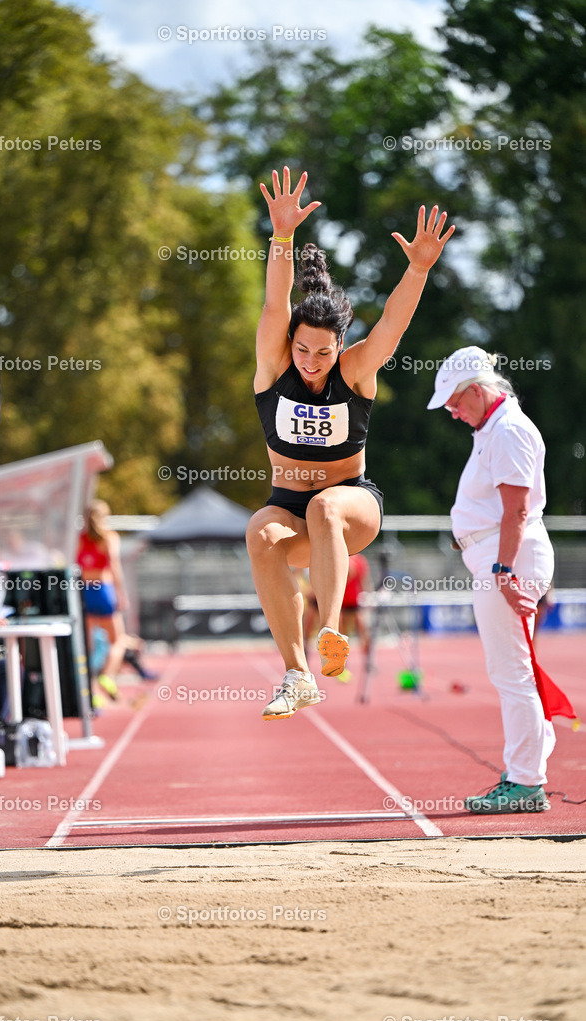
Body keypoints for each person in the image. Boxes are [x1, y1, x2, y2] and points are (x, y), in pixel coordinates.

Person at [248, 166, 454, 720]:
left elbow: (391, 325)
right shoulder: (274, 365)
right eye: (303, 351)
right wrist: (282, 237)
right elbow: (274, 304)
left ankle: (332, 633)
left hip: (352, 504)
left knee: (326, 505)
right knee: (260, 533)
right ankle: (296, 675)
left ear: (340, 346)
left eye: (323, 353)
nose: (312, 364)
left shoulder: (356, 369)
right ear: (290, 343)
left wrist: (416, 271)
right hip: (290, 509)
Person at [427, 346, 555, 813]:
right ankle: (527, 769)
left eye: (456, 403)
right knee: (512, 672)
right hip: (501, 559)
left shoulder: (508, 431)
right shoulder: (496, 428)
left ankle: (525, 782)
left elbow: (517, 509)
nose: (453, 413)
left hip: (508, 561)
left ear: (477, 392)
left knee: (511, 674)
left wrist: (502, 570)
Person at [75, 500, 156, 703]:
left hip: (85, 590)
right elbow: (115, 566)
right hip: (102, 589)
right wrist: (121, 593)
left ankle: (90, 691)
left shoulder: (79, 539)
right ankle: (107, 676)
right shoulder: (108, 538)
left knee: (88, 645)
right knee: (118, 641)